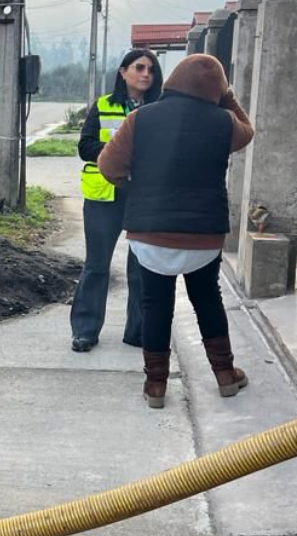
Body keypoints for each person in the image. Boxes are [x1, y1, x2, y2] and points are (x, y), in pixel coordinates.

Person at [96, 54, 255, 409]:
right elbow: (249, 129)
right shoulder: (223, 122)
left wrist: (132, 185)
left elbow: (107, 166)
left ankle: (155, 385)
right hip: (203, 237)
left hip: (150, 234)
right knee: (207, 300)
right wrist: (226, 96)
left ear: (171, 82)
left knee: (155, 305)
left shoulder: (141, 118)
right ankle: (226, 374)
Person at [69, 49, 163, 353]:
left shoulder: (161, 108)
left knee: (141, 266)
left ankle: (137, 331)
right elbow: (85, 146)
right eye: (139, 67)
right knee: (97, 266)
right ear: (123, 72)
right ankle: (85, 331)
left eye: (151, 68)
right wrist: (118, 152)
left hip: (143, 197)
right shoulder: (103, 106)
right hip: (104, 195)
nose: (146, 73)